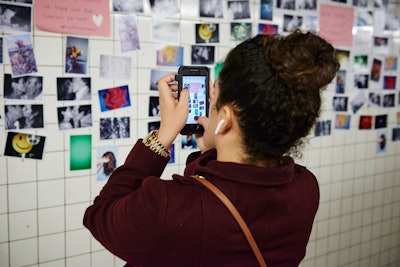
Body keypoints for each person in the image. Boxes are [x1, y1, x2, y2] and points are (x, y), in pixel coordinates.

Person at [83, 29, 340, 266]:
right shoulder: (305, 188)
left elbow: (100, 215)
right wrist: (209, 150)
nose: (209, 101)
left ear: (226, 118)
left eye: (214, 95)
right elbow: (210, 201)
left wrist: (162, 137)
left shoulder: (166, 206)